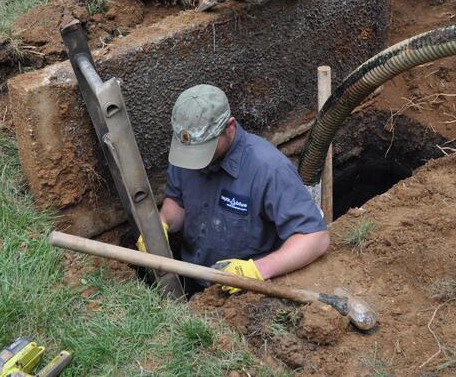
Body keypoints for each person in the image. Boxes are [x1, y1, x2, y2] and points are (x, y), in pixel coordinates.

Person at [138, 84, 329, 294]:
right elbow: (177, 203)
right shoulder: (188, 153)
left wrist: (256, 271)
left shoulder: (268, 168)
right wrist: (161, 225)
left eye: (204, 150)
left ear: (229, 127)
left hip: (242, 295)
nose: (196, 160)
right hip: (191, 277)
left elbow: (315, 238)